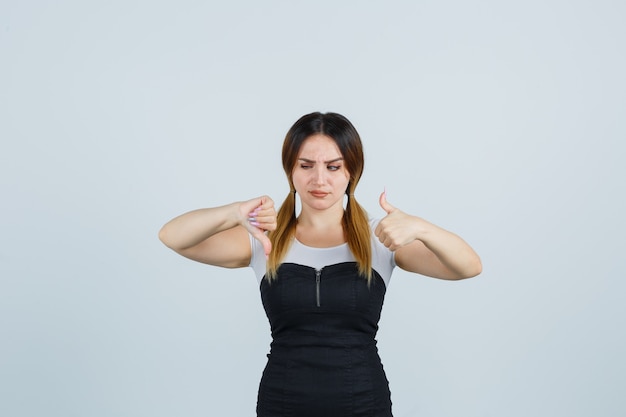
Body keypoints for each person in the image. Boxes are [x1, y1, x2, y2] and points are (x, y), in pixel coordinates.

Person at [158, 111, 482, 417]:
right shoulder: (264, 240)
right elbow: (172, 236)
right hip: (281, 405)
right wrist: (233, 213)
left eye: (333, 167)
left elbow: (468, 266)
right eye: (306, 165)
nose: (319, 179)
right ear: (291, 170)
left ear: (351, 171)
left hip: (364, 405)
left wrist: (422, 228)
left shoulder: (380, 239)